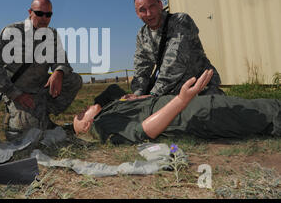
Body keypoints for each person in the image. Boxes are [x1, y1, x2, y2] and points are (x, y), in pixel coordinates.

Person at [73, 70, 280, 144]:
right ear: (87, 125)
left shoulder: (107, 111)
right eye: (81, 115)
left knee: (260, 108)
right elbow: (144, 131)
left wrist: (135, 99)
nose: (85, 108)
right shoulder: (101, 126)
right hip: (190, 115)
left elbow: (115, 93)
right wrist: (182, 100)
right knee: (266, 115)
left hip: (189, 107)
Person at [0, 0, 83, 139]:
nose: (44, 18)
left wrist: (58, 72)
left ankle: (42, 113)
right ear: (30, 12)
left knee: (74, 80)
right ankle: (16, 117)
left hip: (40, 89)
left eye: (48, 14)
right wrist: (16, 94)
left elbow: (62, 62)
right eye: (39, 13)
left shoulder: (51, 35)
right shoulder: (11, 32)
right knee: (29, 135)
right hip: (18, 92)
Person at [131, 0, 224, 96]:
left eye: (152, 6)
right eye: (142, 10)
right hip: (169, 93)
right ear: (137, 14)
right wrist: (137, 94)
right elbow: (142, 68)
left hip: (200, 88)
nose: (149, 13)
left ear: (160, 5)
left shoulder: (181, 21)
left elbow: (174, 62)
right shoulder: (142, 35)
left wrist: (153, 95)